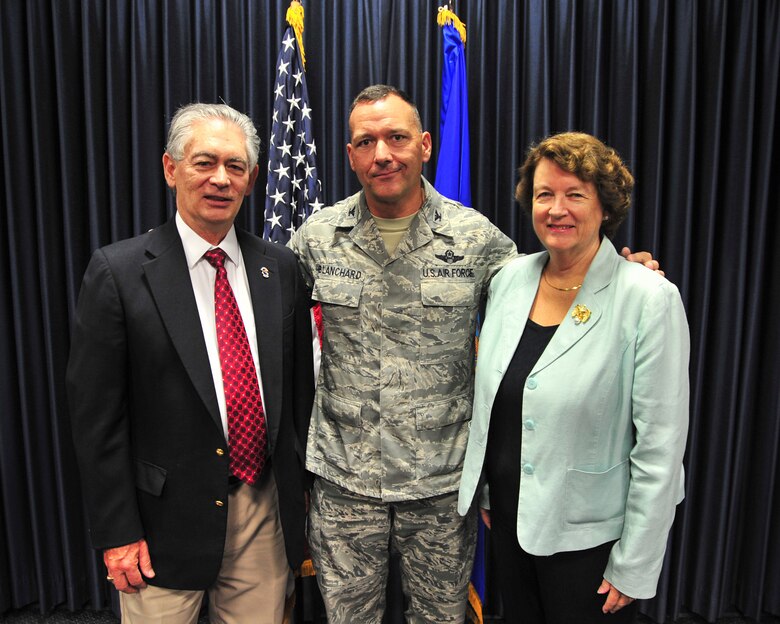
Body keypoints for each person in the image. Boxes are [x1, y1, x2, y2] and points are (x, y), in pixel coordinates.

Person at [288, 85, 660, 623]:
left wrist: (623, 277)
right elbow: (272, 326)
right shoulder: (317, 237)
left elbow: (551, 286)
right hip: (346, 488)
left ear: (426, 145)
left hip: (442, 491)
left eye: (396, 137)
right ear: (351, 155)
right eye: (365, 142)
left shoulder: (474, 238)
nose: (382, 154)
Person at [67, 103, 314, 623]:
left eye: (236, 166)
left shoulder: (281, 267)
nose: (220, 179)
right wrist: (118, 533)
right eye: (204, 162)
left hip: (260, 513)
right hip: (161, 524)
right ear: (170, 168)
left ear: (251, 181)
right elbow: (97, 420)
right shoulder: (118, 273)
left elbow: (296, 397)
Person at [458, 131, 689, 623]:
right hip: (509, 520)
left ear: (604, 206)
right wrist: (487, 491)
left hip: (590, 538)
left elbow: (660, 448)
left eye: (574, 195)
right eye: (544, 195)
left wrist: (635, 563)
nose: (556, 209)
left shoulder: (647, 299)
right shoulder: (509, 280)